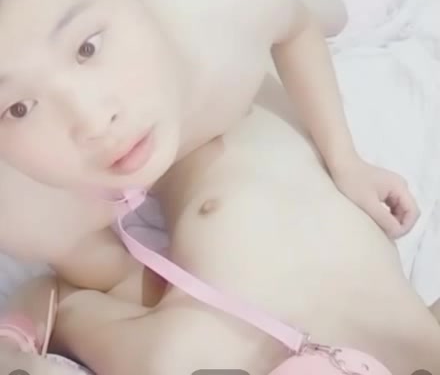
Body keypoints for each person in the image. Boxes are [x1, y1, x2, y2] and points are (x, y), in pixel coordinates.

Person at [0, 0, 418, 296]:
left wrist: (346, 162)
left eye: (87, 48)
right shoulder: (25, 212)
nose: (95, 124)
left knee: (333, 15)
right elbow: (117, 278)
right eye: (19, 108)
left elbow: (297, 27)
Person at [0, 96, 439, 375]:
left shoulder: (172, 358)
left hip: (159, 100)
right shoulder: (421, 348)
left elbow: (57, 301)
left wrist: (11, 349)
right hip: (249, 75)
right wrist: (347, 161)